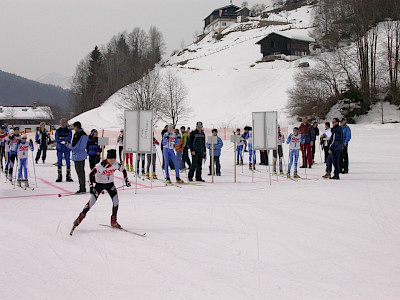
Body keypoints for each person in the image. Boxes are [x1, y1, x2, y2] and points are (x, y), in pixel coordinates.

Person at [70, 149, 131, 234]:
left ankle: (114, 221)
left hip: (110, 185)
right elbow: (91, 174)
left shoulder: (116, 164)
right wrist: (91, 186)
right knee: (91, 202)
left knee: (116, 201)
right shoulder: (100, 166)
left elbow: (123, 170)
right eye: (111, 159)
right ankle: (79, 219)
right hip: (99, 185)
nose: (112, 161)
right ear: (107, 158)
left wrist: (126, 180)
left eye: (114, 159)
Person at [66, 121, 88, 194]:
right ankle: (83, 186)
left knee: (79, 172)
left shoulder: (78, 134)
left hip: (77, 155)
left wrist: (68, 145)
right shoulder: (84, 134)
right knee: (82, 171)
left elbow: (75, 145)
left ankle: (82, 187)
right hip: (82, 154)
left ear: (76, 127)